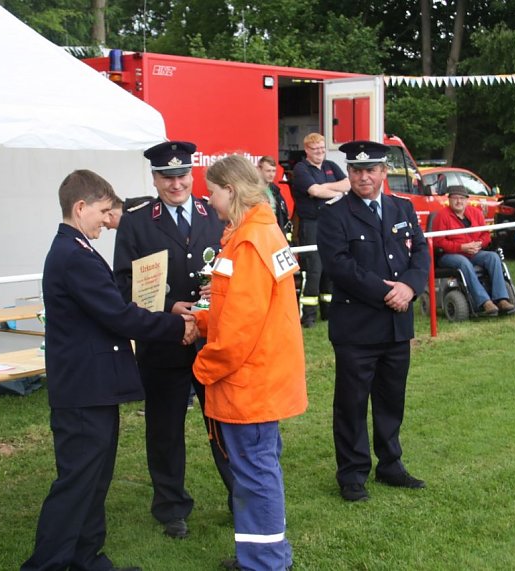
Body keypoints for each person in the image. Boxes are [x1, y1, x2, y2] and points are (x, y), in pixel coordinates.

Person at [22, 170, 196, 571]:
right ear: (79, 207)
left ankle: (87, 557)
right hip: (84, 388)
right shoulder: (73, 255)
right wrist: (176, 327)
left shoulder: (77, 248)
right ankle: (47, 564)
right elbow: (118, 315)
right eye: (102, 211)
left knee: (94, 479)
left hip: (94, 386)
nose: (107, 219)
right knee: (77, 483)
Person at [113, 141, 234, 539]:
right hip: (163, 343)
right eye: (167, 177)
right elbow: (124, 281)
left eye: (182, 176)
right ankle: (170, 507)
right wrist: (168, 307)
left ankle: (242, 497)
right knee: (164, 430)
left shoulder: (214, 214)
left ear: (192, 175)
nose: (176, 184)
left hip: (211, 341)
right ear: (155, 179)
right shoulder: (136, 222)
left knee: (224, 423)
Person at [192, 154, 306, 570]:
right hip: (262, 377)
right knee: (259, 470)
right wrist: (203, 321)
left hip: (250, 382)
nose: (210, 201)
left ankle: (266, 562)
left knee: (255, 474)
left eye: (213, 193)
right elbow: (240, 309)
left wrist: (202, 369)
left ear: (232, 191)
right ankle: (263, 556)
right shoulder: (260, 233)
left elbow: (239, 330)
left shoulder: (249, 242)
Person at [316, 140, 430, 503]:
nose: (363, 177)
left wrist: (410, 288)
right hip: (358, 326)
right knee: (351, 403)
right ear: (348, 173)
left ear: (384, 172)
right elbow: (340, 266)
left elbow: (422, 252)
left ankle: (390, 464)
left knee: (391, 398)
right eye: (356, 170)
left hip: (397, 324)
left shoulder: (402, 207)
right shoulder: (335, 214)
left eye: (371, 170)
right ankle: (352, 473)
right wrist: (388, 292)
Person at [290, 132, 351, 328]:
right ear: (307, 150)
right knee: (313, 271)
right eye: (316, 149)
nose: (320, 152)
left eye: (322, 149)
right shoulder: (301, 169)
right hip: (311, 224)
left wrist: (326, 186)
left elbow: (349, 184)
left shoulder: (330, 166)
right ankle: (308, 317)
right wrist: (334, 191)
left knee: (329, 269)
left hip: (330, 224)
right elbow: (314, 191)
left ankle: (329, 312)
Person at [431, 185, 515, 316]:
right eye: (455, 198)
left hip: (474, 251)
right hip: (449, 254)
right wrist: (461, 247)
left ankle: (501, 299)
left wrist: (479, 244)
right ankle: (484, 301)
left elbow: (486, 235)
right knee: (463, 262)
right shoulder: (442, 216)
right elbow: (438, 242)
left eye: (461, 198)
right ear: (449, 200)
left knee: (493, 257)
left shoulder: (476, 213)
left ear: (467, 200)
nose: (458, 201)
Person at [256, 156, 292, 239]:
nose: (271, 174)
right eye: (268, 171)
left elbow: (283, 216)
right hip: (259, 233)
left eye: (273, 171)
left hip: (275, 233)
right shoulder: (251, 191)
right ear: (259, 170)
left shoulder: (276, 191)